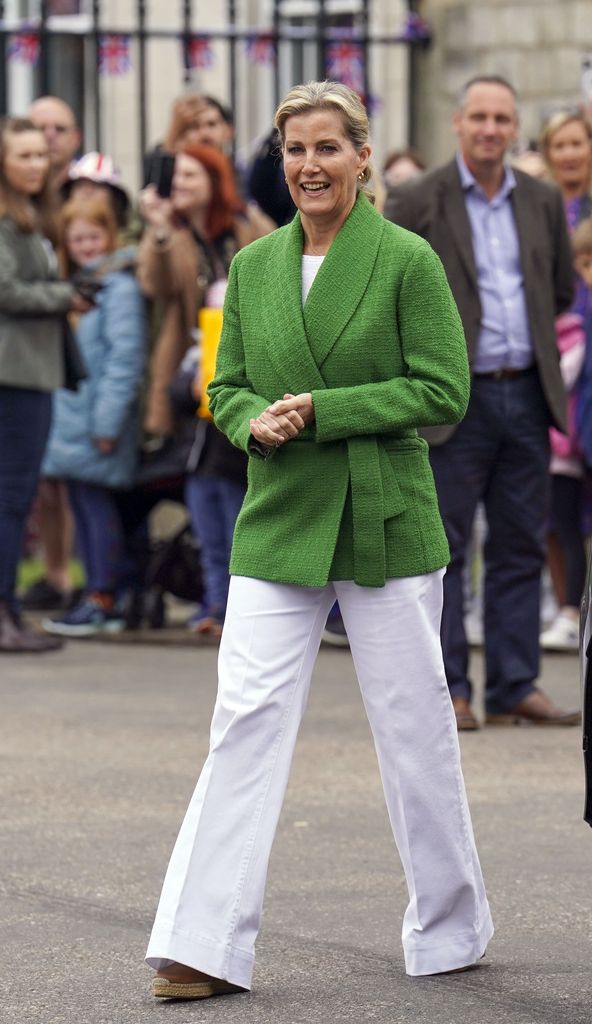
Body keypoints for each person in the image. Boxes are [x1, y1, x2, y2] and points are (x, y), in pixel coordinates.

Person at [145, 80, 493, 1002]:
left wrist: (327, 411)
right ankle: (201, 943)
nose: (310, 164)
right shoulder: (254, 268)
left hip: (385, 519)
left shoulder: (407, 259)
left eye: (329, 147)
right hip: (281, 518)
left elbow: (444, 392)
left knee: (414, 727)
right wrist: (254, 419)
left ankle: (451, 925)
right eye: (295, 149)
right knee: (244, 722)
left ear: (363, 155)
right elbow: (225, 389)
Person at [384, 75, 579, 730]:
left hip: (525, 392)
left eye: (503, 118)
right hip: (450, 401)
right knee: (444, 548)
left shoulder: (544, 199)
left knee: (521, 545)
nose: (492, 129)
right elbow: (390, 295)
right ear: (458, 124)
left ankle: (514, 683)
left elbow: (554, 293)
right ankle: (451, 692)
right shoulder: (417, 200)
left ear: (514, 127)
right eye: (480, 117)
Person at [138, 143, 250, 634]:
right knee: (202, 484)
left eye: (189, 175)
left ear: (214, 179)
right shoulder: (174, 234)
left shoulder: (248, 229)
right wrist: (159, 227)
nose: (178, 185)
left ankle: (236, 604)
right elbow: (154, 283)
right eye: (175, 175)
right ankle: (214, 600)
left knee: (237, 491)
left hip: (247, 371)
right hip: (192, 379)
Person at [0, 116, 90, 653]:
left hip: (30, 370)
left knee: (16, 497)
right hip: (15, 373)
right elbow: (6, 289)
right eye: (24, 155)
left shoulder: (30, 214)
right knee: (12, 498)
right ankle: (4, 611)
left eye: (41, 155)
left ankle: (8, 608)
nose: (36, 164)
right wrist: (65, 297)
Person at [41, 196, 146, 637]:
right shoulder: (85, 283)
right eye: (77, 237)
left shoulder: (117, 288)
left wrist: (106, 424)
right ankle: (95, 592)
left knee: (96, 507)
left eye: (93, 235)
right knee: (82, 504)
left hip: (97, 424)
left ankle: (103, 595)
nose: (85, 245)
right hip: (75, 421)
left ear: (111, 234)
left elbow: (125, 359)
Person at [22, 96, 82, 612]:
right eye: (40, 130)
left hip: (75, 343)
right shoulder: (17, 202)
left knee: (67, 468)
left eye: (59, 129)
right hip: (32, 346)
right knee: (40, 476)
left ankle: (68, 573)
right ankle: (52, 571)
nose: (49, 139)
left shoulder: (89, 192)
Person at [538, 111, 592, 650]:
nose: (571, 154)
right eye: (562, 145)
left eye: (579, 143)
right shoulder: (546, 208)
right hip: (560, 359)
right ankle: (565, 606)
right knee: (558, 506)